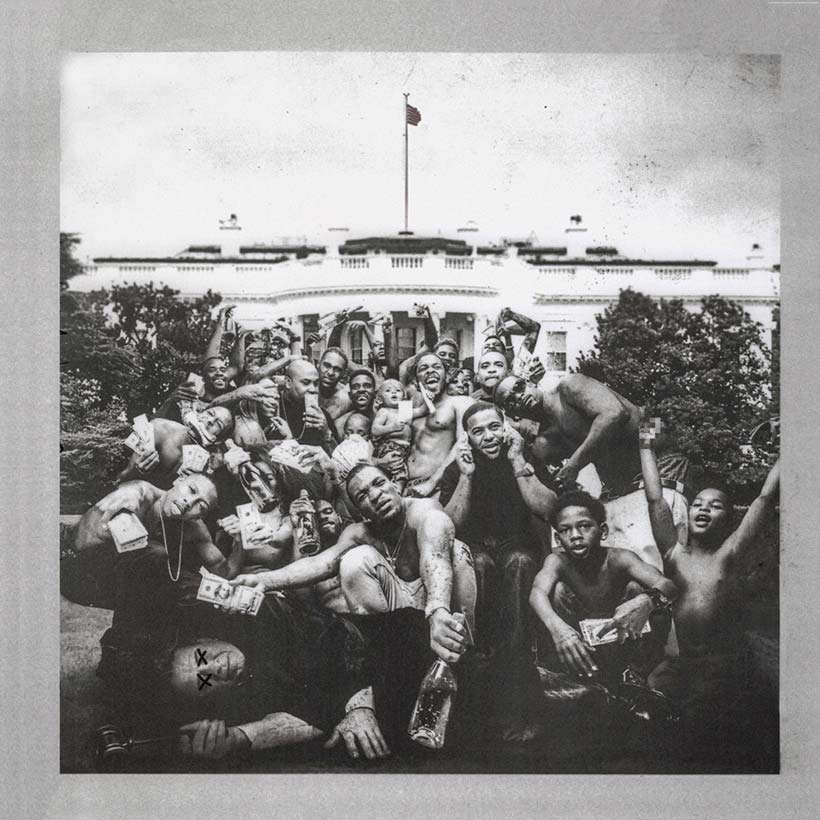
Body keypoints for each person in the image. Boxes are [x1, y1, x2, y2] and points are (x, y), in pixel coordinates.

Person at [231, 462, 476, 666]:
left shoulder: (423, 510)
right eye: (363, 496)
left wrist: (438, 611)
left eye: (379, 483)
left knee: (456, 549)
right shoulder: (360, 532)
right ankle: (388, 658)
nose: (375, 495)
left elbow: (436, 556)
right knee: (353, 560)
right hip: (399, 615)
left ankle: (460, 645)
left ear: (394, 485)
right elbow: (321, 564)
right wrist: (262, 580)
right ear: (361, 512)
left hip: (440, 602)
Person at [640, 424, 780, 730]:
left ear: (728, 520)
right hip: (680, 663)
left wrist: (788, 451)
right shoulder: (674, 554)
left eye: (715, 506)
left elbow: (765, 498)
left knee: (702, 717)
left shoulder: (729, 554)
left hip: (718, 666)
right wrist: (645, 443)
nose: (704, 509)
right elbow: (655, 498)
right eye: (698, 504)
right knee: (648, 697)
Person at [493, 373, 690, 570]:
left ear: (529, 382)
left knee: (665, 552)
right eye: (510, 401)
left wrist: (574, 465)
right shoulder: (546, 441)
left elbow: (615, 414)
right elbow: (547, 500)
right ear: (512, 413)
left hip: (660, 459)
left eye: (518, 387)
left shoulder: (569, 386)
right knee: (626, 557)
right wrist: (517, 454)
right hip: (623, 488)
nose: (518, 396)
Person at [439, 404, 557, 660]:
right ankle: (480, 654)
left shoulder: (525, 457)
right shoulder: (456, 469)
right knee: (479, 565)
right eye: (478, 432)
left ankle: (516, 656)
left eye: (494, 427)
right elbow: (450, 525)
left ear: (506, 429)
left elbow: (549, 509)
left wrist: (517, 460)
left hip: (517, 543)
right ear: (468, 438)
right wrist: (466, 476)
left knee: (520, 562)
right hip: (475, 547)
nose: (489, 436)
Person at [529, 491, 678, 688]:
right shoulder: (557, 561)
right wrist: (560, 630)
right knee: (556, 591)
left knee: (637, 589)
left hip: (625, 643)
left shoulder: (619, 558)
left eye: (584, 526)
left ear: (603, 531)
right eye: (565, 530)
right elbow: (537, 593)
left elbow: (668, 585)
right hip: (583, 649)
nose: (575, 536)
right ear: (558, 539)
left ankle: (635, 678)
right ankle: (577, 678)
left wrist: (646, 601)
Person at [74, 475, 246, 604]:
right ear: (179, 480)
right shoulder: (143, 494)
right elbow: (84, 541)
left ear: (199, 516)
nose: (189, 501)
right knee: (157, 556)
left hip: (128, 587)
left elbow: (224, 573)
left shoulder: (194, 529)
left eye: (200, 506)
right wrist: (131, 492)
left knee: (181, 578)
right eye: (191, 490)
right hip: (82, 569)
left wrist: (240, 540)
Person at [396, 352, 475, 498]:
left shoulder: (461, 402)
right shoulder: (407, 406)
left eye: (436, 367)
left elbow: (463, 443)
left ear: (447, 376)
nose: (430, 371)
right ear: (415, 380)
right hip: (402, 487)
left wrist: (431, 483)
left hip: (435, 487)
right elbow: (390, 438)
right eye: (423, 368)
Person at [117, 408, 234, 489]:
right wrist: (136, 471)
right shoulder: (159, 429)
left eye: (218, 424)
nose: (209, 421)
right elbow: (121, 478)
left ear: (217, 440)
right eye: (210, 413)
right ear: (199, 413)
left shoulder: (207, 465)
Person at [370, 378, 427, 493]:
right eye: (388, 390)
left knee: (400, 469)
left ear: (404, 397)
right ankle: (397, 490)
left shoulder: (404, 410)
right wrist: (392, 428)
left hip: (404, 449)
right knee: (399, 471)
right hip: (390, 446)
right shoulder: (384, 411)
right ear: (380, 398)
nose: (393, 392)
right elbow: (375, 430)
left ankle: (394, 488)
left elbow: (422, 411)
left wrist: (427, 397)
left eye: (398, 390)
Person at [334, 368, 377, 438]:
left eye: (367, 386)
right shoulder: (340, 425)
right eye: (356, 387)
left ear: (375, 393)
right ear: (350, 395)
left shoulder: (386, 418)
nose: (361, 390)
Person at [318, 347, 352, 420]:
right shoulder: (306, 387)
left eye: (337, 369)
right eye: (327, 365)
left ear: (343, 374)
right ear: (318, 364)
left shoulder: (345, 399)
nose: (330, 373)